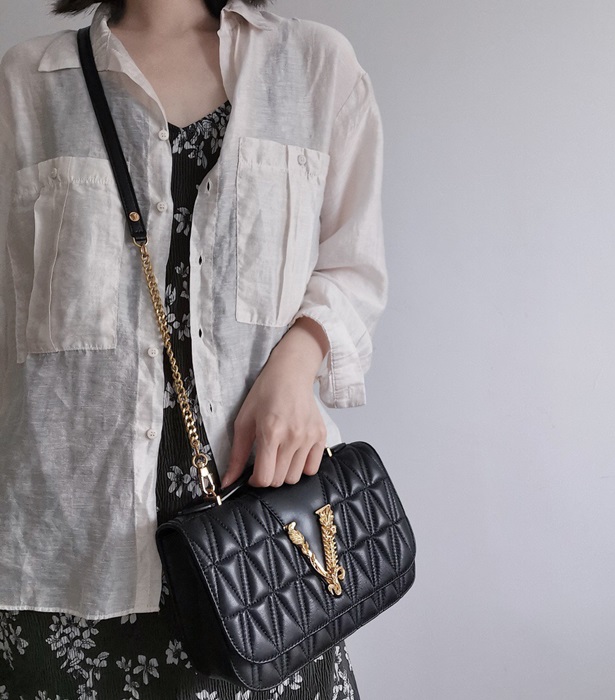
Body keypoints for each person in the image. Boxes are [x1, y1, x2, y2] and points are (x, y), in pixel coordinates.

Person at [0, 0, 387, 697]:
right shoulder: (29, 82)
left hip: (263, 556)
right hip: (68, 557)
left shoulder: (312, 66)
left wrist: (296, 366)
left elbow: (354, 267)